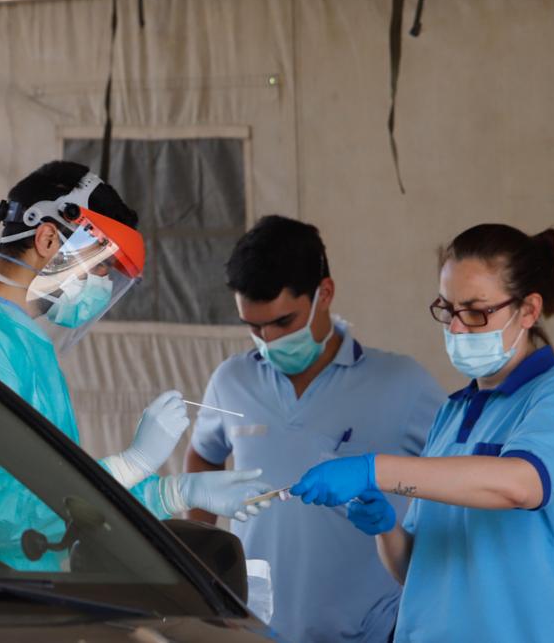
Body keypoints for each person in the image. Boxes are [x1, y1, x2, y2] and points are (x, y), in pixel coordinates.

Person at [0, 161, 273, 569]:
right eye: (99, 264)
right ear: (47, 238)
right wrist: (128, 466)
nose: (100, 281)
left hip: (3, 599)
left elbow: (54, 504)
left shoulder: (15, 339)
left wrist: (173, 493)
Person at [292, 224, 554, 642]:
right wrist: (386, 529)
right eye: (448, 309)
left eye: (475, 312)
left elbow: (521, 485)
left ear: (528, 311)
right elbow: (416, 572)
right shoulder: (451, 413)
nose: (456, 329)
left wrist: (375, 470)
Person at [184, 215, 443, 642]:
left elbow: (457, 475)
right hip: (254, 628)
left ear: (324, 293)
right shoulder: (231, 381)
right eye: (254, 327)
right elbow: (204, 454)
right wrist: (199, 551)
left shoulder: (401, 384)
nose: (268, 340)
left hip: (370, 631)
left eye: (283, 323)